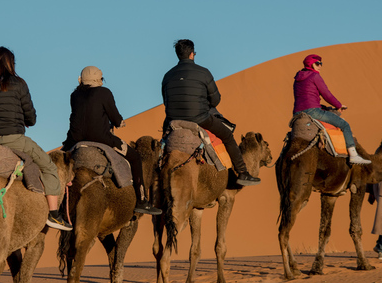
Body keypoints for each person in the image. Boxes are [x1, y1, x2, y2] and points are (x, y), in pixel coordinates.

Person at [0, 47, 73, 231]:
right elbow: (31, 116)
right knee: (48, 167)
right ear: (10, 63)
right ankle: (54, 215)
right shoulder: (19, 83)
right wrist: (23, 120)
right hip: (13, 138)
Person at [62, 66, 162, 215]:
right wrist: (120, 122)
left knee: (57, 164)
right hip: (102, 138)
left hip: (74, 140)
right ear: (97, 79)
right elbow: (115, 118)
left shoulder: (74, 95)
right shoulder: (104, 93)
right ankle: (142, 201)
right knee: (135, 158)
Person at [161, 39, 260, 186]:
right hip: (200, 118)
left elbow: (166, 100)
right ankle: (242, 173)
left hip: (173, 119)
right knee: (227, 135)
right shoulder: (204, 72)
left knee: (163, 142)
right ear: (192, 54)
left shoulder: (167, 76)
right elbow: (215, 99)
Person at [292, 54, 371, 165]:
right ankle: (354, 155)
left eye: (321, 64)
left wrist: (324, 107)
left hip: (298, 113)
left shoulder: (297, 79)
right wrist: (338, 105)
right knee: (344, 125)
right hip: (312, 111)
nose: (320, 66)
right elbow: (327, 95)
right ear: (311, 64)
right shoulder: (315, 76)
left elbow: (305, 99)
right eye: (317, 63)